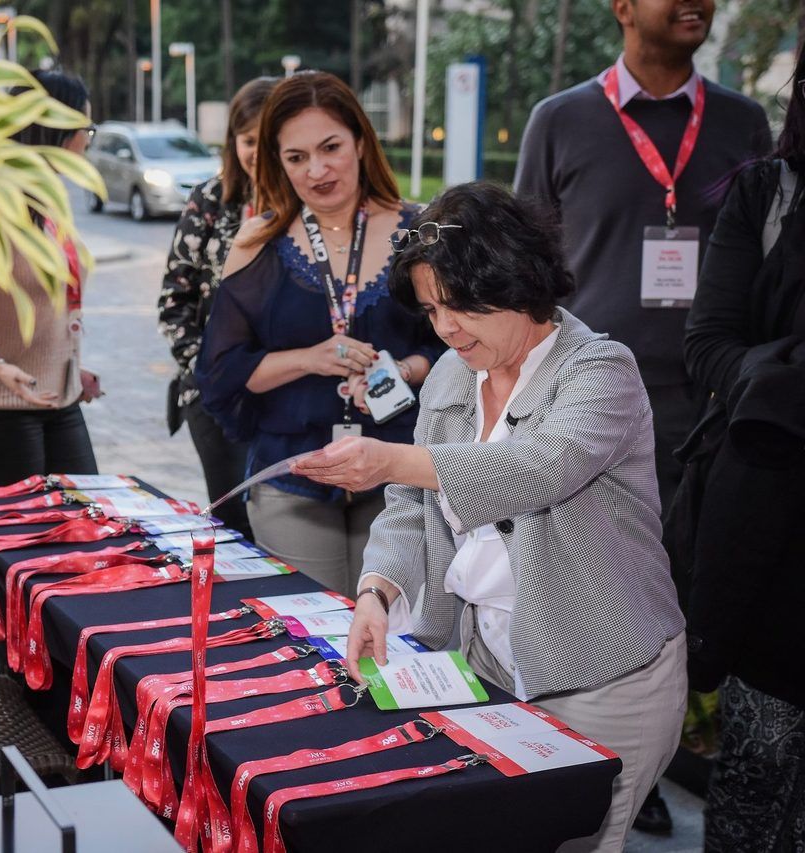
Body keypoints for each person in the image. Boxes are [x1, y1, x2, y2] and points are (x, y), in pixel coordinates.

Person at [293, 182, 686, 853]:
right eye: (432, 308)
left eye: (461, 305)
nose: (446, 327)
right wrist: (376, 590)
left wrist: (392, 460)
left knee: (577, 840)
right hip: (488, 661)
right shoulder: (452, 373)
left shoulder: (600, 370)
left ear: (519, 280)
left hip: (603, 675)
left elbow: (542, 466)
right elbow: (410, 511)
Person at [514, 0, 768, 831]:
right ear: (622, 7)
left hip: (715, 404)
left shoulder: (742, 121)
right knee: (602, 586)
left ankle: (672, 741)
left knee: (694, 577)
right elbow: (525, 270)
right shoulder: (562, 120)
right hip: (590, 408)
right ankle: (630, 771)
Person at [195, 71, 443, 595]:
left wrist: (404, 369)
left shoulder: (419, 231)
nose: (318, 170)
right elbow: (221, 373)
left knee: (399, 647)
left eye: (330, 147)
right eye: (297, 157)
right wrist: (310, 358)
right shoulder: (257, 242)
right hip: (294, 479)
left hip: (403, 476)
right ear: (277, 162)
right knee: (318, 651)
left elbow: (457, 348)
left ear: (360, 139)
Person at [682, 46, 805, 853]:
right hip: (775, 534)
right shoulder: (767, 192)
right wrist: (785, 381)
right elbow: (709, 342)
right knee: (759, 786)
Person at [0, 70, 103, 488]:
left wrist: (71, 367)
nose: (88, 141)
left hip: (55, 396)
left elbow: (55, 299)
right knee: (29, 544)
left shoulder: (47, 199)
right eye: (87, 129)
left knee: (85, 517)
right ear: (56, 130)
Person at [158, 76, 278, 541]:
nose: (258, 152)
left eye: (269, 139)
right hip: (215, 398)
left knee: (282, 525)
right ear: (234, 142)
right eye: (249, 140)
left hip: (289, 394)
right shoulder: (212, 200)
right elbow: (174, 300)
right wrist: (206, 371)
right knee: (235, 524)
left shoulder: (308, 205)